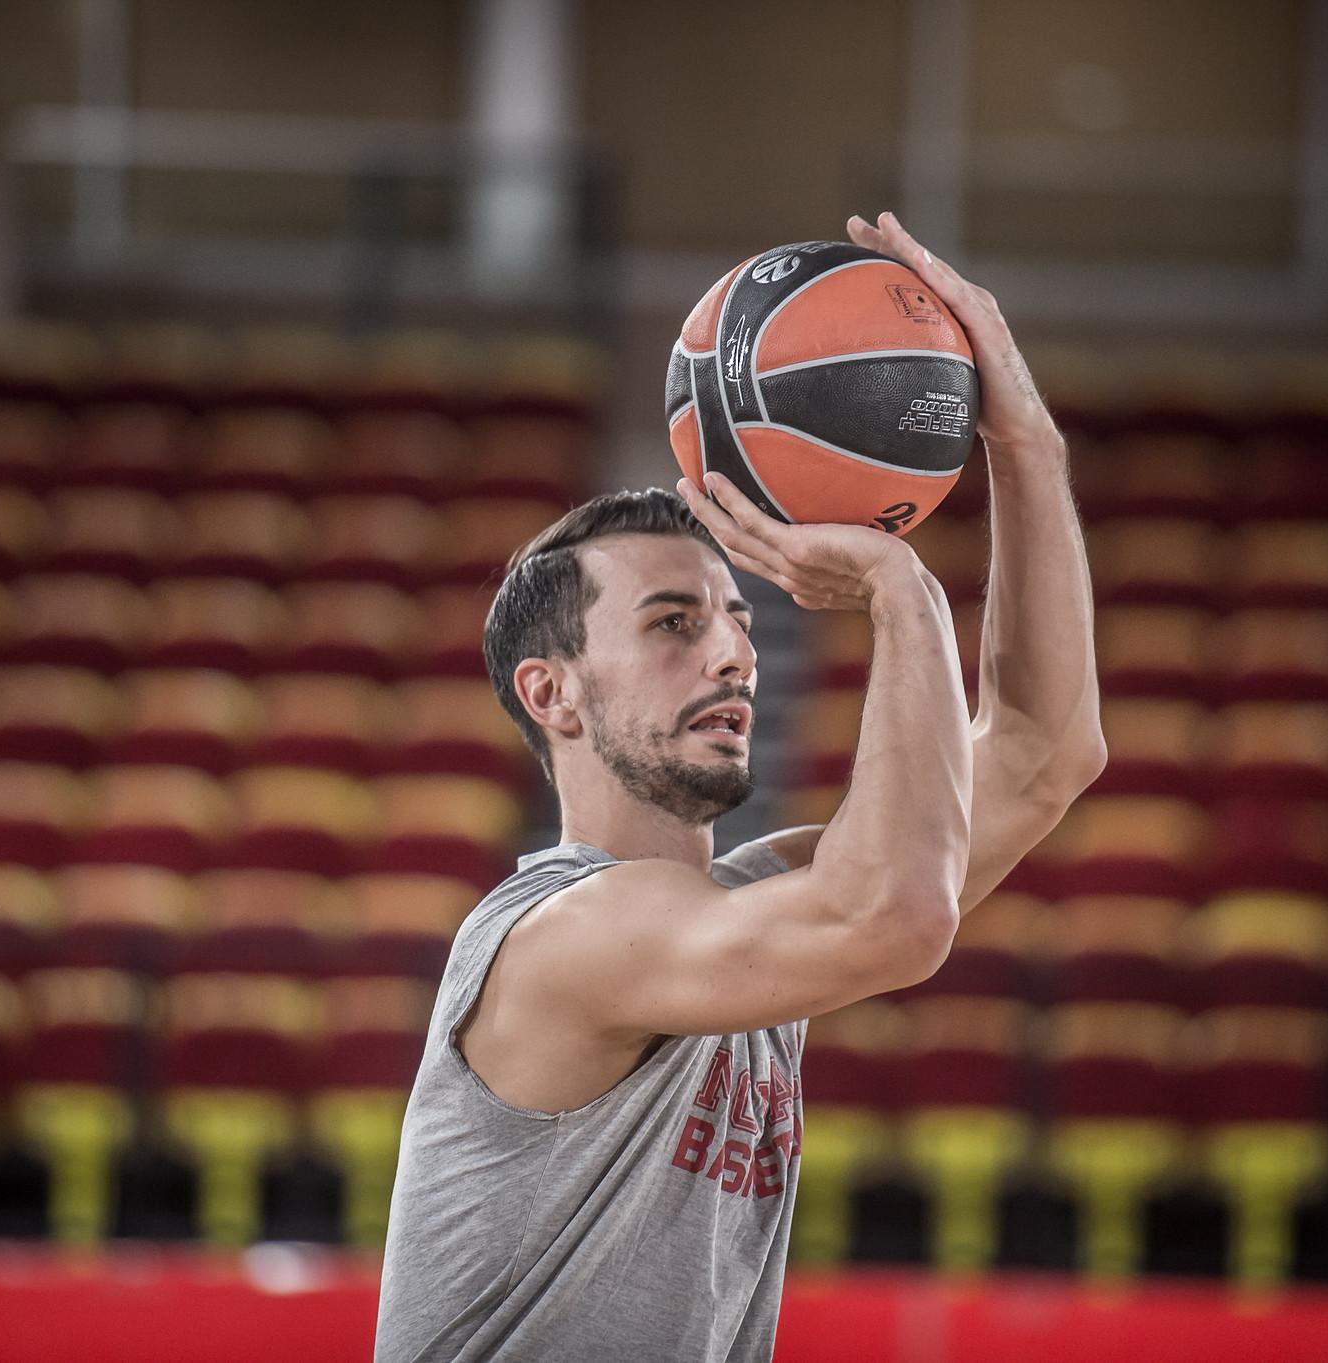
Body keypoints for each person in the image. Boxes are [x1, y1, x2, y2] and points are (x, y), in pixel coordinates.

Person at [374, 212, 1105, 1361]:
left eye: (735, 616)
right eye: (673, 622)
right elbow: (897, 912)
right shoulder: (561, 935)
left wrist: (1022, 444)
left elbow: (1039, 752)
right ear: (551, 695)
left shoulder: (736, 918)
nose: (730, 653)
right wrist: (900, 592)